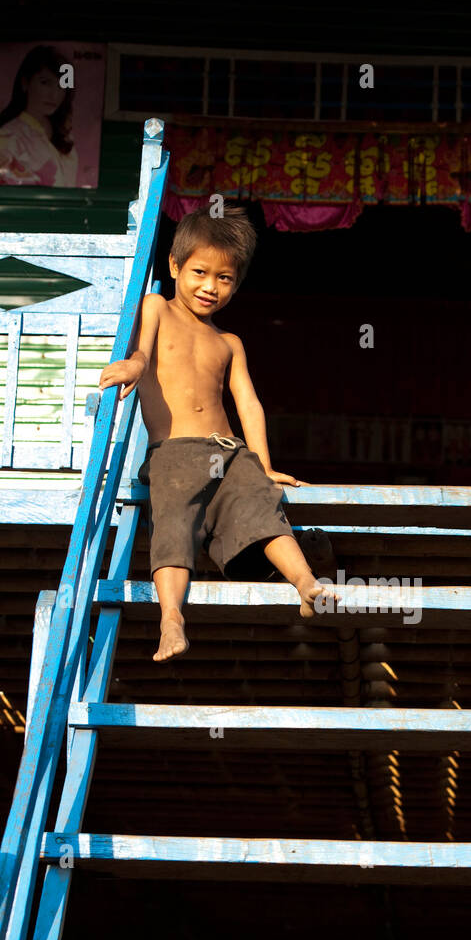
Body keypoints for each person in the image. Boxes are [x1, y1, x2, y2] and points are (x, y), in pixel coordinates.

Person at [98, 205, 333, 661]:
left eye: (225, 278)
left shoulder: (230, 342)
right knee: (173, 526)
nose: (210, 287)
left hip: (230, 451)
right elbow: (143, 353)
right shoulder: (156, 307)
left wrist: (263, 464)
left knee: (262, 509)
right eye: (200, 272)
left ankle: (306, 583)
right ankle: (171, 620)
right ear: (174, 266)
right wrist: (132, 364)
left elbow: (248, 403)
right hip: (175, 451)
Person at [0, 45, 79, 187]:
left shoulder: (64, 137)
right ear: (25, 83)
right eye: (45, 83)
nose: (54, 94)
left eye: (61, 86)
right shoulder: (8, 138)